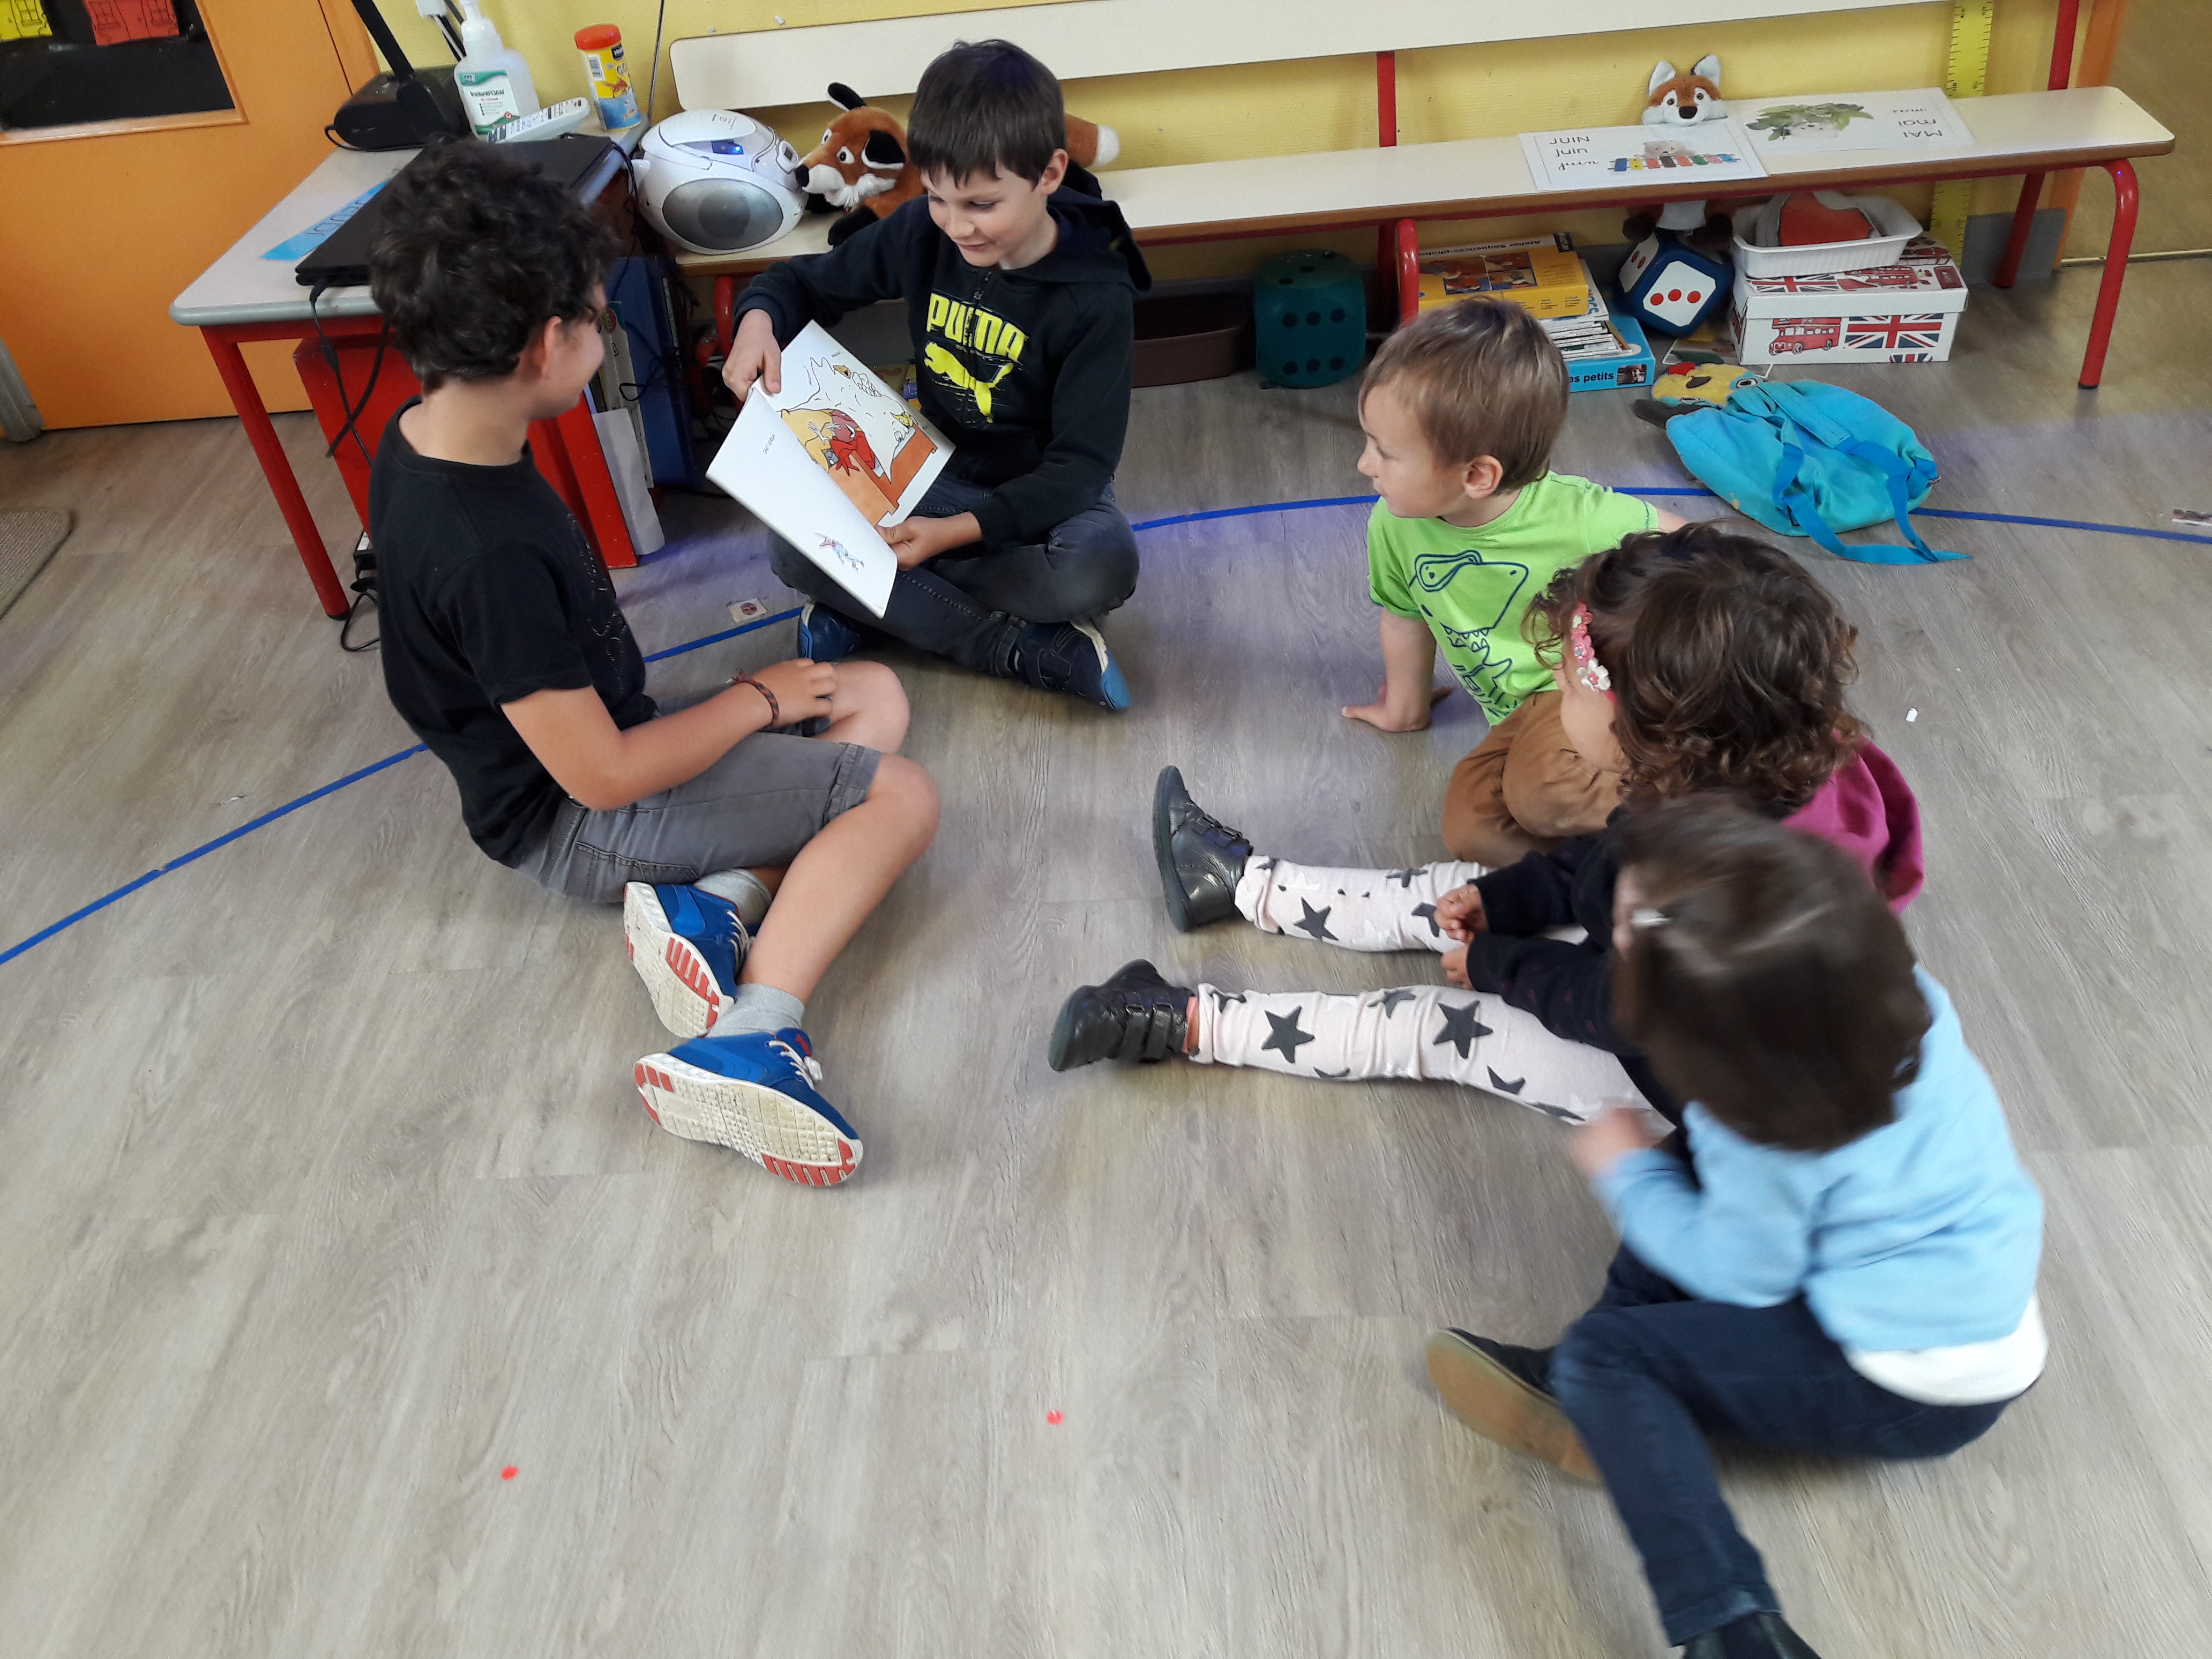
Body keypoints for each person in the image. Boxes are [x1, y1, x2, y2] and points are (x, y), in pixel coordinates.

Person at [366, 143, 938, 1187]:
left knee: (869, 689)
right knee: (900, 797)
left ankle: (715, 904)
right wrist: (754, 700)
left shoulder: (427, 430)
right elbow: (603, 776)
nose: (606, 331)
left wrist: (757, 706)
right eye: (598, 316)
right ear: (549, 344)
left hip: (606, 737)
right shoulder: (483, 552)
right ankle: (753, 1033)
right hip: (576, 817)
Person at [1425, 797, 2045, 1659]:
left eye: (1626, 940)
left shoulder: (1760, 1135)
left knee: (1613, 1345)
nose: (1615, 935)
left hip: (1910, 1390)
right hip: (1980, 1317)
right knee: (1685, 1168)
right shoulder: (1907, 1002)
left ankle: (1730, 1626)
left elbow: (1740, 1273)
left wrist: (1626, 1171)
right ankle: (1599, 1399)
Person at [1047, 526, 1921, 1126]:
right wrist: (1503, 903)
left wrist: (1499, 963)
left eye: (1567, 682)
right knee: (1460, 888)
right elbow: (1602, 858)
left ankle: (1186, 1024)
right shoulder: (1734, 766)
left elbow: (1616, 1009)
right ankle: (1239, 885)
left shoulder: (1717, 892)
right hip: (1649, 958)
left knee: (1429, 1028)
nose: (1553, 687)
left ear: (1647, 729)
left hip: (1672, 1075)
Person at [723, 38, 1150, 710]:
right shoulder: (922, 229)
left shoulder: (1096, 294)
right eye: (938, 198)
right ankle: (1011, 646)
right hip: (927, 469)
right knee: (789, 547)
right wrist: (757, 324)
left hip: (1039, 497)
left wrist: (954, 536)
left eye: (981, 205)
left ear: (1049, 173)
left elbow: (1080, 469)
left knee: (1098, 568)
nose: (957, 226)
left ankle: (876, 601)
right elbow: (798, 284)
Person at [1343, 300, 1684, 864]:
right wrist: (1405, 710)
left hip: (1584, 692)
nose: (1365, 465)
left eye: (1384, 451)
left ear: (1477, 475)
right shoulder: (1394, 524)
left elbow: (1694, 548)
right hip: (1518, 718)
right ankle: (1598, 874)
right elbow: (1404, 614)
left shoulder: (1580, 517)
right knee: (1471, 833)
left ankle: (1708, 805)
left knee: (1544, 793)